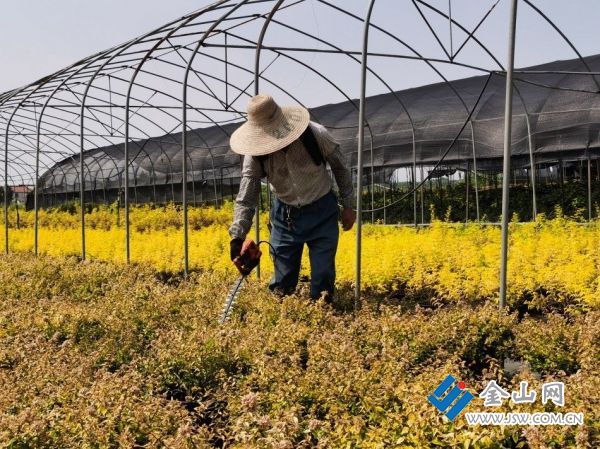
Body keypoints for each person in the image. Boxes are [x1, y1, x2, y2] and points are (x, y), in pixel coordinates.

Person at [228, 94, 355, 301]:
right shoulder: (256, 153)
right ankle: (282, 321)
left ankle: (322, 317)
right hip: (285, 216)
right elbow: (247, 194)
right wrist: (237, 237)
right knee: (282, 281)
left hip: (322, 209)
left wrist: (349, 205)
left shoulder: (316, 134)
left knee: (323, 277)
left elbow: (341, 168)